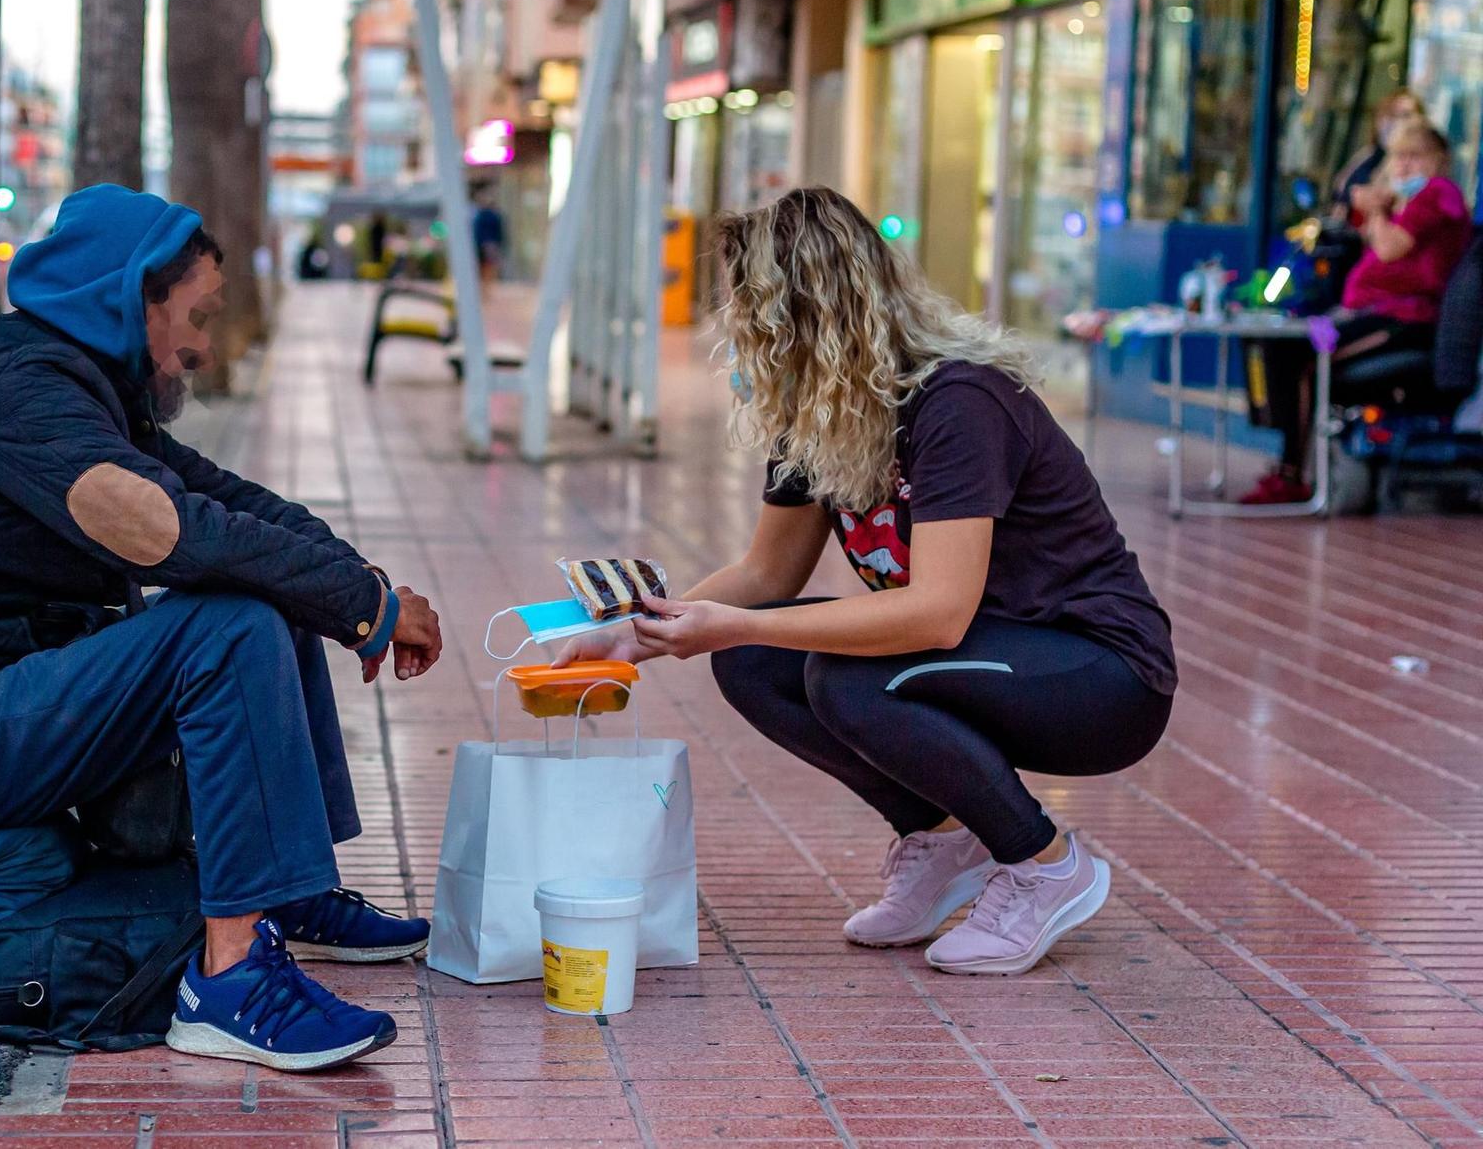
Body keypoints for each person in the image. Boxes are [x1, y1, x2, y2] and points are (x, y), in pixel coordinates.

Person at [0, 185, 445, 1072]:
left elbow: (227, 500)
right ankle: (225, 985)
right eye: (196, 316)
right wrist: (365, 608)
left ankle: (290, 894)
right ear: (129, 298)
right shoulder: (24, 396)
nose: (203, 346)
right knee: (228, 624)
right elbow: (173, 533)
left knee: (266, 589)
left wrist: (360, 589)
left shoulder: (82, 383)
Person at [558, 187, 1176, 977]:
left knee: (844, 678)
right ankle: (946, 839)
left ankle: (1047, 865)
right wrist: (630, 634)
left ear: (802, 312)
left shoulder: (959, 401)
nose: (733, 325)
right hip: (979, 656)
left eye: (748, 306)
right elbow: (767, 572)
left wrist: (739, 622)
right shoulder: (817, 408)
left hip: (1100, 675)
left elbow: (938, 616)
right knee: (749, 663)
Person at [1245, 120, 1474, 504]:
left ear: (1439, 160)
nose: (1403, 166)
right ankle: (1289, 465)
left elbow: (1389, 248)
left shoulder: (1438, 194)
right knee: (1280, 345)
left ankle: (1291, 475)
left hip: (1403, 320)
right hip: (1367, 313)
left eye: (1414, 156)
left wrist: (1378, 210)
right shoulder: (1407, 202)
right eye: (1398, 156)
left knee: (1306, 360)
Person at [1328, 90, 1426, 224]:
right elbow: (1341, 190)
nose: (1396, 122)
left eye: (1405, 115)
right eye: (1391, 115)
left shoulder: (1421, 165)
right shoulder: (1370, 155)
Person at [472, 186, 506, 284]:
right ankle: (487, 283)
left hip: (488, 244)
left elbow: (497, 231)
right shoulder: (482, 214)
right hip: (486, 244)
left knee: (488, 266)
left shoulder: (486, 215)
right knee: (487, 266)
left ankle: (487, 283)